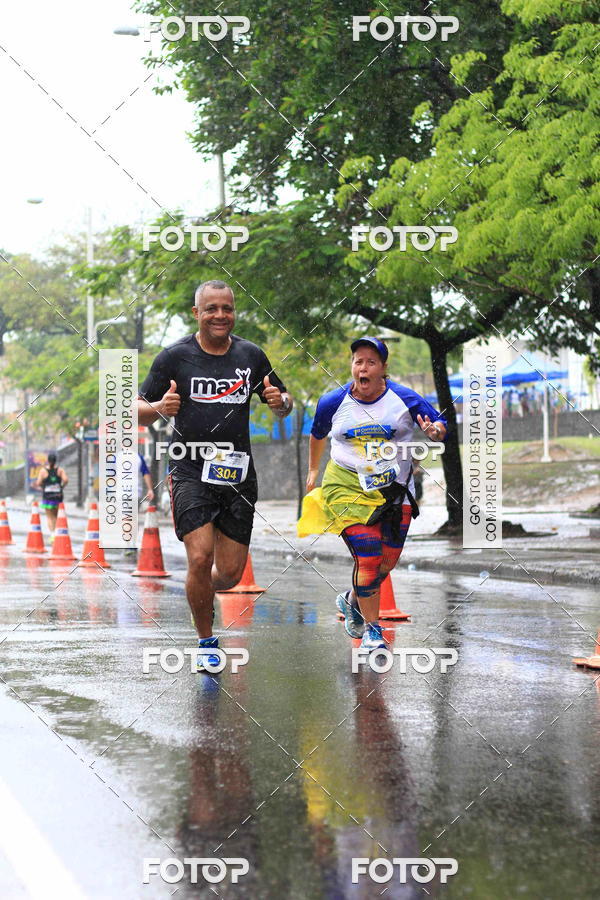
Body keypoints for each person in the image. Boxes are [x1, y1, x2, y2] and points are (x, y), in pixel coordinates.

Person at [136, 279, 293, 671]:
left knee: (230, 574)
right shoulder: (173, 358)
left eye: (227, 308)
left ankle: (198, 590)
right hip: (189, 468)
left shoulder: (251, 355)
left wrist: (281, 402)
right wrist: (159, 407)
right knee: (200, 555)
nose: (220, 315)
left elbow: (283, 401)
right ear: (196, 313)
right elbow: (132, 409)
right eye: (211, 309)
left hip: (237, 474)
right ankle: (206, 640)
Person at [298, 336, 447, 654]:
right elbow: (317, 434)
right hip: (346, 486)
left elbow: (439, 422)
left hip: (394, 489)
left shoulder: (403, 398)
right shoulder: (332, 401)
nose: (363, 368)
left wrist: (435, 431)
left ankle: (352, 599)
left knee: (386, 563)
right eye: (358, 362)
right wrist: (313, 470)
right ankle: (373, 631)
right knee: (368, 557)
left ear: (383, 368)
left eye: (371, 362)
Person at [36, 452, 68, 541]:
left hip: (48, 496)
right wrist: (61, 487)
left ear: (48, 460)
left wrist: (43, 486)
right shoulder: (60, 470)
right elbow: (66, 480)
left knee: (50, 517)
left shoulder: (43, 471)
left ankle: (53, 534)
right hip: (58, 496)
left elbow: (38, 482)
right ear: (55, 460)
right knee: (57, 515)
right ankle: (58, 532)